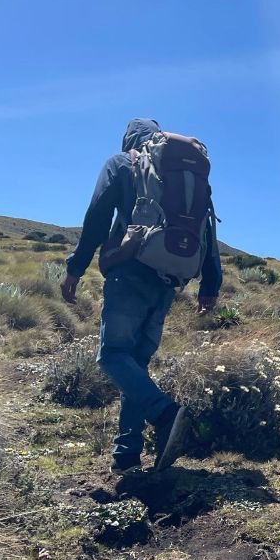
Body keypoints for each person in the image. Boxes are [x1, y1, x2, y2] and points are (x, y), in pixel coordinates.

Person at [61, 118, 222, 474]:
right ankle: (126, 455)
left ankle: (166, 415)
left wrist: (76, 266)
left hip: (129, 272)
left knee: (113, 355)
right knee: (135, 364)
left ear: (129, 138)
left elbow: (98, 216)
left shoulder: (122, 164)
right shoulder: (182, 174)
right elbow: (206, 228)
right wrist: (211, 284)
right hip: (168, 278)